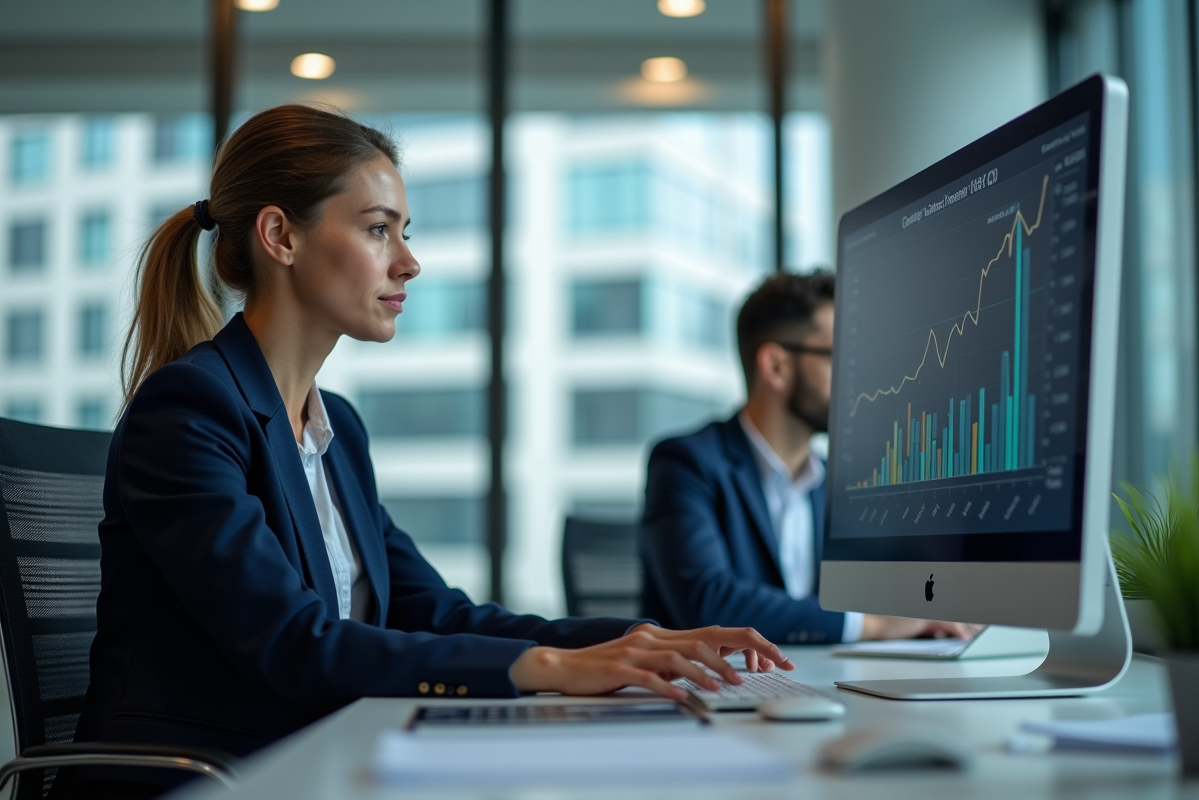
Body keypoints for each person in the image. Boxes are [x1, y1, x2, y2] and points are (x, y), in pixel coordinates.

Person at [69, 105, 788, 799]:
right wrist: (551, 668)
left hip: (314, 754)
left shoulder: (337, 428)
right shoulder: (189, 410)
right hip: (213, 777)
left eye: (404, 232)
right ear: (280, 236)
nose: (409, 263)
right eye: (380, 230)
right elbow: (296, 642)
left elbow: (434, 613)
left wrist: (641, 639)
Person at [640, 271, 974, 644]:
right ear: (776, 366)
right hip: (711, 690)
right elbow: (708, 603)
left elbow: (887, 589)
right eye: (843, 358)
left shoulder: (835, 483)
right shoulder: (686, 463)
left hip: (814, 681)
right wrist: (873, 625)